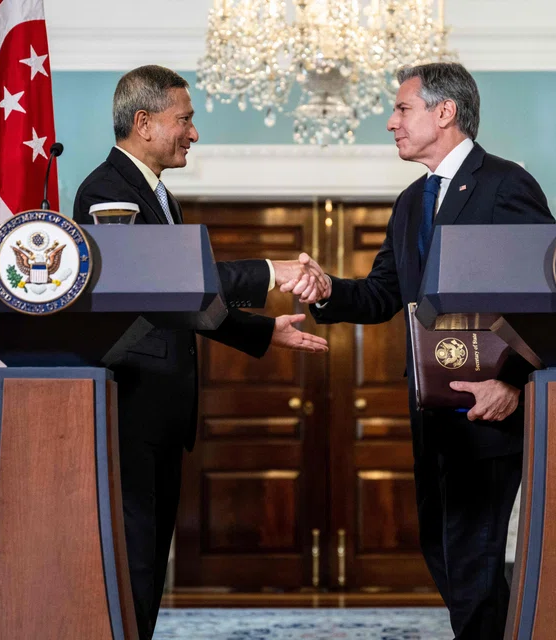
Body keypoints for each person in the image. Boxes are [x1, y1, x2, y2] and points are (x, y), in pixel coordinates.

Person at [282, 62, 556, 639]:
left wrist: (512, 381)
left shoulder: (506, 186)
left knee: (473, 558)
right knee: (444, 551)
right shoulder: (411, 202)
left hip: (489, 408)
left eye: (402, 109)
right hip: (432, 412)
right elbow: (384, 292)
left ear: (445, 112)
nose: (390, 122)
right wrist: (328, 289)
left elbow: (543, 298)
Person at [72, 65, 328, 640]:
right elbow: (170, 280)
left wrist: (263, 333)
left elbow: (182, 302)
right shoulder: (107, 191)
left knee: (147, 563)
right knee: (133, 561)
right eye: (184, 120)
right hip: (133, 410)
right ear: (143, 123)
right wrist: (270, 271)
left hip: (159, 414)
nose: (193, 133)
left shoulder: (156, 194)